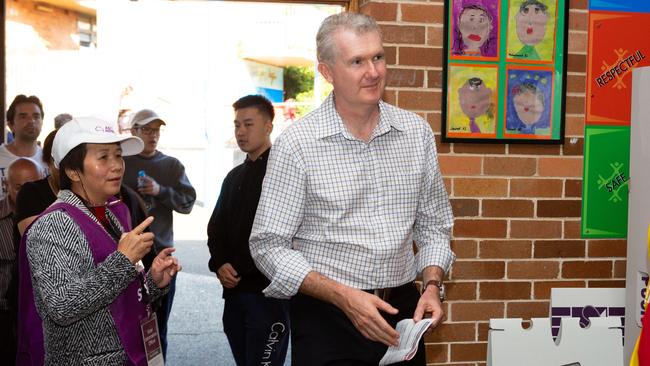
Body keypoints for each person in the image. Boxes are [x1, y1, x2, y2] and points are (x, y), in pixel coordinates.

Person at [249, 12, 455, 365]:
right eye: (357, 61)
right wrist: (343, 296)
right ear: (327, 72)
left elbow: (434, 225)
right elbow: (267, 245)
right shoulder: (298, 144)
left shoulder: (415, 134)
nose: (373, 71)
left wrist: (433, 285)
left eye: (378, 57)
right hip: (328, 318)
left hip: (403, 314)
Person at [19, 117, 181, 365]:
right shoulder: (53, 224)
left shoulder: (110, 213)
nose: (117, 166)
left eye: (118, 156)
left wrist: (154, 281)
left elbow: (121, 292)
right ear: (73, 171)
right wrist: (123, 260)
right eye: (103, 157)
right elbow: (62, 306)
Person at [207, 95, 290, 366]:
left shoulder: (284, 173)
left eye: (248, 124)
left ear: (268, 126)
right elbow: (216, 228)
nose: (240, 132)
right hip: (234, 296)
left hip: (269, 297)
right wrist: (219, 264)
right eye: (236, 125)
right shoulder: (234, 177)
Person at [123, 109, 196, 359]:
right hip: (125, 258)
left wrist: (160, 190)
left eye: (156, 130)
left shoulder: (171, 165)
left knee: (157, 327)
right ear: (133, 132)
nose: (152, 136)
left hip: (161, 257)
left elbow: (187, 203)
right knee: (126, 326)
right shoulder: (120, 163)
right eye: (146, 130)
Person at [0, 158, 43, 364]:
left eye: (33, 186)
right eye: (19, 188)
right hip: (5, 317)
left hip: (41, 315)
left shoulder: (55, 217)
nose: (27, 194)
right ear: (5, 185)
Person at [1, 95, 47, 200]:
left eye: (36, 116)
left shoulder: (50, 160)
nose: (31, 121)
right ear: (10, 124)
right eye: (23, 116)